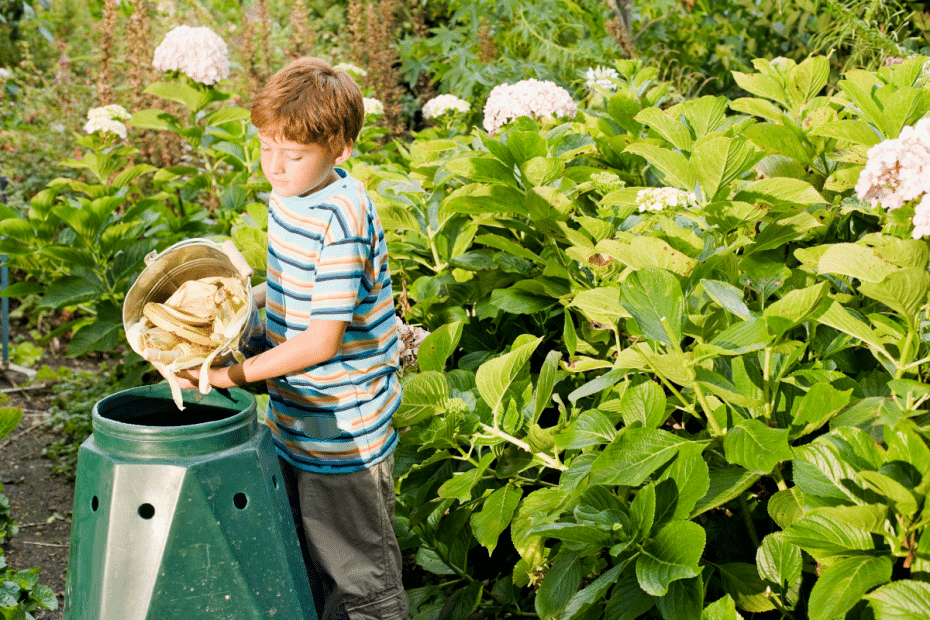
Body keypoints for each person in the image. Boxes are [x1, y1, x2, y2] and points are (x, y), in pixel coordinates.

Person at [170, 57, 407, 620]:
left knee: (360, 579)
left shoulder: (341, 217)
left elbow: (321, 341)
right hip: (299, 418)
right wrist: (228, 311)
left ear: (340, 149)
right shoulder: (292, 198)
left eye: (293, 154)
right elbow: (285, 291)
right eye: (265, 148)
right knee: (309, 563)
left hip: (345, 435)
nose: (275, 166)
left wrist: (225, 377)